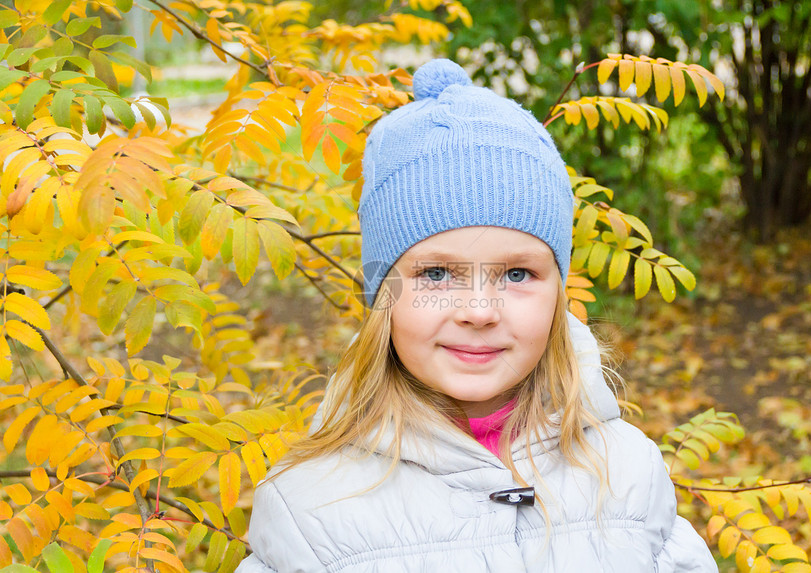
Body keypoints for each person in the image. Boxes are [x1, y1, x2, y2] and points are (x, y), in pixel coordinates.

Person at [236, 59, 717, 572]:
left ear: (559, 290)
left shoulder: (628, 475)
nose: (479, 311)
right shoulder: (307, 509)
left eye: (516, 275)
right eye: (437, 274)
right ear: (384, 296)